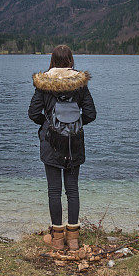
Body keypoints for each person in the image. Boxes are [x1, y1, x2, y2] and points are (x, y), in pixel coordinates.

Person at [28, 45, 96, 251]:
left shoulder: (43, 84)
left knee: (54, 191)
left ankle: (57, 239)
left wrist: (48, 125)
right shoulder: (80, 84)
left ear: (52, 61)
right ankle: (73, 239)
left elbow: (33, 113)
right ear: (70, 60)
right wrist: (74, 126)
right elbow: (91, 114)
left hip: (51, 143)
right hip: (73, 143)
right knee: (72, 190)